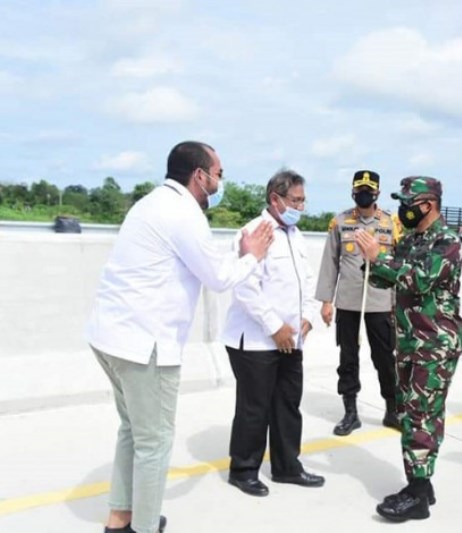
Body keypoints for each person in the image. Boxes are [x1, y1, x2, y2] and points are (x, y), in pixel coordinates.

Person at [86, 141, 273, 533]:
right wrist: (253, 255)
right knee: (154, 443)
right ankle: (145, 526)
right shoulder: (184, 214)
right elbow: (219, 279)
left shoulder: (153, 203)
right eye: (219, 174)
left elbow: (203, 261)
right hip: (144, 346)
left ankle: (121, 518)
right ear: (200, 175)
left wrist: (239, 253)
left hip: (110, 337)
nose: (221, 181)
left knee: (133, 432)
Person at [354, 177, 462, 523]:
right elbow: (385, 277)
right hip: (410, 341)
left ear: (428, 205)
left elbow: (418, 280)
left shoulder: (447, 242)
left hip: (434, 344)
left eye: (408, 203)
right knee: (411, 414)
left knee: (421, 415)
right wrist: (371, 259)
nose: (403, 210)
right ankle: (421, 483)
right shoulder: (413, 239)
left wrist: (380, 259)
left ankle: (417, 494)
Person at [221, 169, 324, 497]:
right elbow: (246, 288)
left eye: (304, 200)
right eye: (296, 200)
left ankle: (287, 466)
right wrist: (275, 327)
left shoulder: (296, 235)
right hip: (254, 341)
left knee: (287, 404)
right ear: (275, 199)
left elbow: (307, 280)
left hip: (292, 339)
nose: (301, 207)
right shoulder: (252, 232)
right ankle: (244, 469)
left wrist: (307, 316)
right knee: (255, 407)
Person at [316, 170, 403, 436]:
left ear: (377, 192)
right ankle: (350, 412)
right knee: (348, 358)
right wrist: (326, 301)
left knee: (385, 358)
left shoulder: (391, 223)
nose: (363, 194)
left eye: (368, 189)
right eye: (359, 189)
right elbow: (330, 263)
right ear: (353, 192)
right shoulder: (341, 222)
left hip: (380, 302)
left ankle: (392, 409)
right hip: (348, 302)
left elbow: (401, 264)